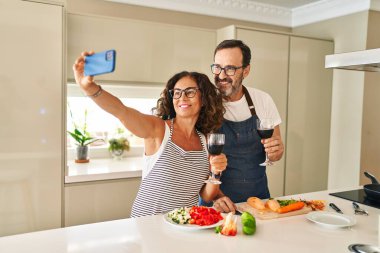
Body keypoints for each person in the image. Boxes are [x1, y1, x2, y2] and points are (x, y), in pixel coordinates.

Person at [73, 51, 227, 217]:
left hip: (183, 228)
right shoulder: (158, 129)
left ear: (203, 99)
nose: (182, 97)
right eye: (177, 92)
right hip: (147, 227)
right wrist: (89, 88)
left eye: (190, 92)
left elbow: (205, 195)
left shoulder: (205, 142)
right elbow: (121, 111)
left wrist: (215, 172)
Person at [201, 40, 284, 213]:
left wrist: (277, 152)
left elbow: (276, 152)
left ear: (246, 70)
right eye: (217, 67)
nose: (222, 75)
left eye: (230, 68)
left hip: (258, 201)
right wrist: (217, 196)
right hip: (218, 204)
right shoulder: (204, 105)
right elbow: (197, 164)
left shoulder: (263, 100)